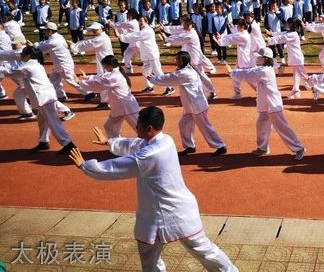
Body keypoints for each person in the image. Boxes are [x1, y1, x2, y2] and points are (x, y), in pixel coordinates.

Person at [69, 107, 238, 272]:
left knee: (161, 256)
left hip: (166, 213)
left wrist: (85, 166)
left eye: (138, 125)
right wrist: (110, 142)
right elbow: (135, 144)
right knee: (200, 251)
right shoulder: (165, 140)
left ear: (148, 128)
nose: (136, 128)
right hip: (175, 209)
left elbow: (118, 167)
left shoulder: (149, 154)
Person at [227, 47, 306, 160]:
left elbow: (247, 74)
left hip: (272, 104)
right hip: (265, 104)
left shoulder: (263, 71)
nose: (257, 58)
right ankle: (262, 148)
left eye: (259, 57)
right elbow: (253, 71)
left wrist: (232, 72)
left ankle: (299, 148)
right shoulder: (265, 68)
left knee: (282, 127)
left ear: (265, 59)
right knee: (261, 125)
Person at [146, 52, 227, 157]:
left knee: (205, 127)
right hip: (190, 106)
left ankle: (220, 146)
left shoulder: (184, 73)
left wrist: (152, 79)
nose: (176, 62)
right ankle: (190, 147)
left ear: (183, 61)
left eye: (178, 60)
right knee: (183, 124)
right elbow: (171, 76)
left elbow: (168, 79)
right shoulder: (187, 70)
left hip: (197, 106)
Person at [1, 46, 77, 154]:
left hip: (44, 98)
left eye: (23, 53)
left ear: (28, 56)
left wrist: (1, 67)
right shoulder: (36, 64)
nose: (21, 55)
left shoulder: (27, 67)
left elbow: (10, 73)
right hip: (46, 96)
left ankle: (68, 144)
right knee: (43, 121)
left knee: (53, 122)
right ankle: (43, 142)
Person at [78, 55, 140, 137]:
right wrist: (87, 77)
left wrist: (80, 83)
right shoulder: (114, 73)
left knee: (141, 130)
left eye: (105, 66)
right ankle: (116, 147)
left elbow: (99, 82)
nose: (104, 68)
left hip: (127, 108)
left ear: (110, 65)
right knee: (109, 127)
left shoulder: (114, 76)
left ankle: (153, 146)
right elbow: (101, 77)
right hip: (119, 108)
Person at [160, 16, 217, 98]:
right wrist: (165, 28)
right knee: (194, 75)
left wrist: (166, 38)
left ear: (190, 25)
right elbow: (177, 29)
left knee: (199, 76)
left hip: (195, 59)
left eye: (185, 25)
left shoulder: (190, 35)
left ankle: (210, 92)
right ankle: (208, 92)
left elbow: (179, 39)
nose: (183, 26)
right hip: (191, 58)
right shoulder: (188, 31)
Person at [69, 22, 114, 109]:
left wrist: (73, 46)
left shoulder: (101, 38)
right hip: (105, 62)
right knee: (105, 81)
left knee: (104, 81)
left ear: (101, 29)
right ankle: (106, 101)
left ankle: (106, 102)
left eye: (95, 30)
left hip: (106, 64)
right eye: (93, 30)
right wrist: (75, 45)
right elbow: (88, 41)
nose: (93, 31)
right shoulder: (101, 37)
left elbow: (88, 43)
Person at [266, 18, 310, 99]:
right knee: (297, 75)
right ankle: (296, 91)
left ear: (290, 24)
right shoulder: (291, 32)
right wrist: (271, 33)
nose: (285, 24)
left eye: (287, 23)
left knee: (304, 76)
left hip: (297, 58)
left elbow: (280, 38)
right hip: (296, 58)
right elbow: (281, 34)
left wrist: (268, 40)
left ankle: (315, 88)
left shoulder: (292, 34)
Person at [214, 18, 254, 99]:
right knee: (235, 76)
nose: (236, 27)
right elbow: (233, 35)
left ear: (242, 26)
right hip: (243, 60)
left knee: (251, 79)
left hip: (246, 61)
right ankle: (237, 93)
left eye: (238, 26)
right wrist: (221, 37)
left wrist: (219, 39)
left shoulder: (242, 36)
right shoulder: (244, 33)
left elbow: (231, 38)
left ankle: (261, 93)